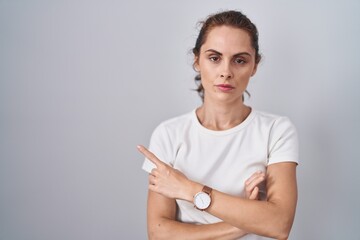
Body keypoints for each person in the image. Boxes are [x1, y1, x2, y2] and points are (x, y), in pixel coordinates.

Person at [138, 10, 298, 240]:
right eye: (214, 58)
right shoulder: (168, 134)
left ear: (254, 66)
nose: (226, 72)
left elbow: (279, 224)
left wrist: (189, 189)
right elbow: (159, 233)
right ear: (197, 61)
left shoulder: (277, 130)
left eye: (240, 60)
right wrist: (247, 221)